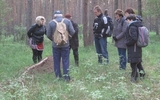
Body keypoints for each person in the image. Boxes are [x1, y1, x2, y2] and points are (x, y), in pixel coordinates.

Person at [47, 10, 75, 81]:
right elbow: (73, 31)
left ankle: (58, 77)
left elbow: (48, 34)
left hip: (55, 45)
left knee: (56, 61)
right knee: (65, 61)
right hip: (65, 45)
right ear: (61, 15)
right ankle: (66, 77)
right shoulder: (67, 21)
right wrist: (67, 38)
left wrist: (54, 40)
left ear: (55, 15)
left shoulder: (51, 23)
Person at [125, 14, 145, 83]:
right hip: (136, 47)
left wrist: (127, 43)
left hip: (134, 48)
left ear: (131, 20)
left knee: (133, 63)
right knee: (138, 62)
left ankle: (134, 77)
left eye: (127, 20)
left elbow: (134, 38)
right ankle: (142, 74)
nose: (127, 21)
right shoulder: (136, 25)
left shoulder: (132, 26)